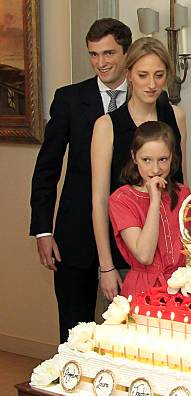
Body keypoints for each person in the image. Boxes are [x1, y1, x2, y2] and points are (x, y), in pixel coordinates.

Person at [29, 18, 132, 344]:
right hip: (74, 239)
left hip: (132, 237)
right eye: (93, 54)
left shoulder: (148, 99)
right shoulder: (69, 99)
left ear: (126, 52)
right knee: (74, 339)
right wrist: (43, 228)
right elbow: (47, 168)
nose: (100, 63)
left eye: (108, 53)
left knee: (133, 341)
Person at [92, 37, 187, 301]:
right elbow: (99, 201)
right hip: (129, 253)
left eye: (159, 75)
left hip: (171, 260)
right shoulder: (106, 125)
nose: (152, 84)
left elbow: (180, 185)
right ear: (129, 74)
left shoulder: (176, 116)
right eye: (143, 75)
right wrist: (106, 265)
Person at [108, 121, 190, 298]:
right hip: (143, 289)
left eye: (163, 159)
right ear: (134, 157)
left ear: (172, 158)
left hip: (182, 286)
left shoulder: (183, 193)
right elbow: (144, 255)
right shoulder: (121, 200)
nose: (155, 169)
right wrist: (154, 201)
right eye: (146, 160)